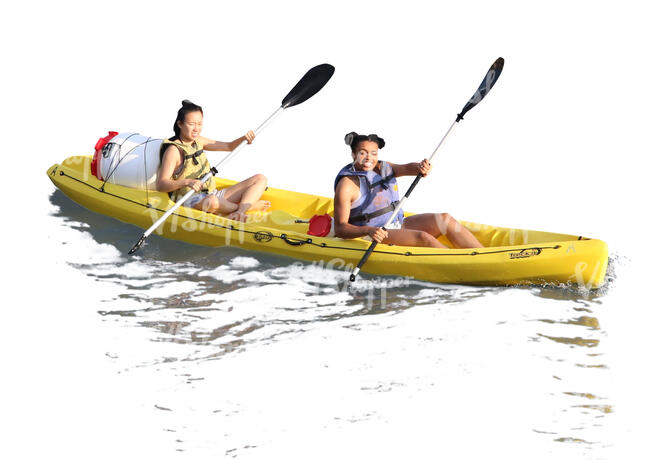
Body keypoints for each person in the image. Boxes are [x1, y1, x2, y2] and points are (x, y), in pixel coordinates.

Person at [333, 132, 483, 249]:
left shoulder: (382, 167)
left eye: (373, 153)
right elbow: (340, 228)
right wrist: (368, 231)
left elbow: (406, 168)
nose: (369, 158)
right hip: (372, 234)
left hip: (397, 224)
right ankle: (462, 265)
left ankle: (482, 257)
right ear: (353, 154)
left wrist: (420, 167)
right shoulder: (347, 185)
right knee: (423, 238)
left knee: (444, 219)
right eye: (362, 153)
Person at [157, 100, 270, 222]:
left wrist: (244, 139)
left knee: (260, 178)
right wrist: (186, 182)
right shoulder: (174, 150)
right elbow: (161, 184)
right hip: (190, 199)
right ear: (180, 124)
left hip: (212, 193)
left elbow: (229, 146)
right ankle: (248, 206)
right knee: (212, 202)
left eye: (200, 124)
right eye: (192, 124)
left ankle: (240, 211)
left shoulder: (198, 140)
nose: (197, 129)